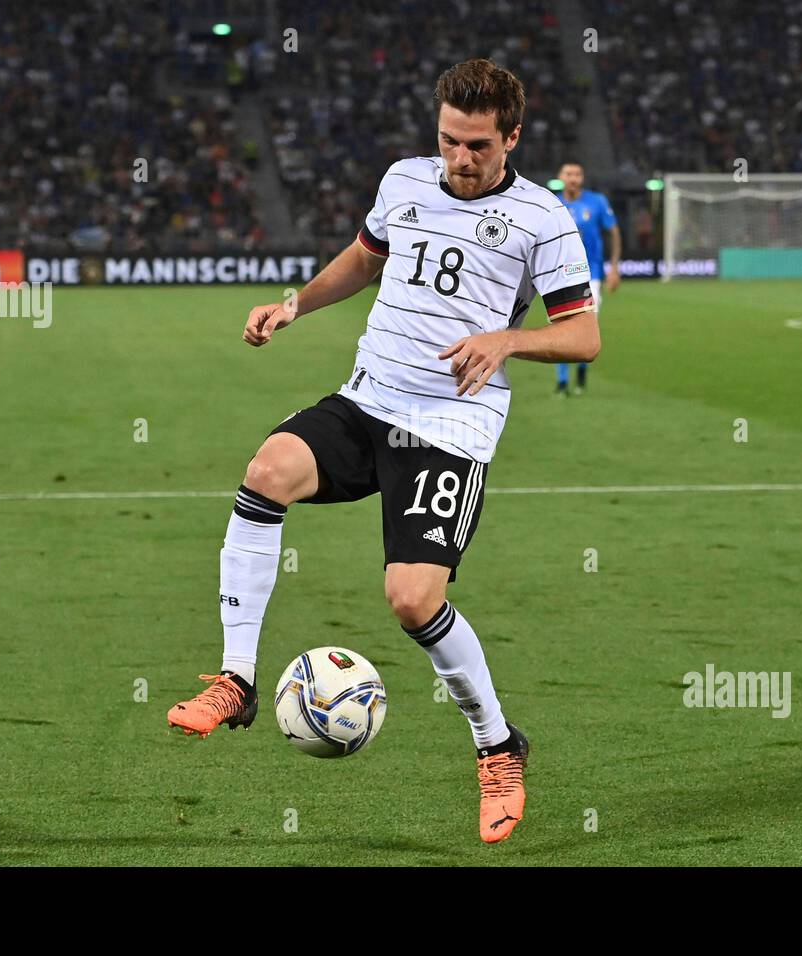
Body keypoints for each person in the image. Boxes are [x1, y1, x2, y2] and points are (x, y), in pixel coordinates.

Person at [166, 58, 599, 844]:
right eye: (448, 141)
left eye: (476, 145)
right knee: (266, 472)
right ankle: (236, 678)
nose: (460, 159)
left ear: (512, 137)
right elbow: (364, 260)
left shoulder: (544, 220)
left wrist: (508, 338)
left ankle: (498, 745)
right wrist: (295, 304)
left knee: (412, 600)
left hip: (448, 430)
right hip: (368, 401)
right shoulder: (404, 180)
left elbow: (585, 335)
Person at [554, 161, 619, 393]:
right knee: (561, 325)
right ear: (561, 176)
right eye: (569, 173)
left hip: (591, 274)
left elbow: (613, 231)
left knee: (585, 325)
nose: (573, 178)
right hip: (560, 275)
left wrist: (614, 267)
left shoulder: (597, 201)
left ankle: (581, 371)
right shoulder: (552, 204)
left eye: (578, 174)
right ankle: (562, 381)